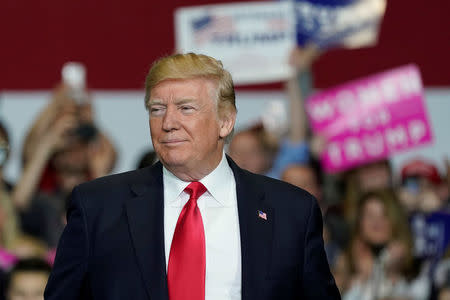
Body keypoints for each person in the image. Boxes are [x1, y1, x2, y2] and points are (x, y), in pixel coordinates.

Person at [44, 53, 340, 300]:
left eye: (186, 109)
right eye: (157, 109)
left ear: (225, 121)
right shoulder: (98, 206)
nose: (168, 123)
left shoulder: (291, 212)